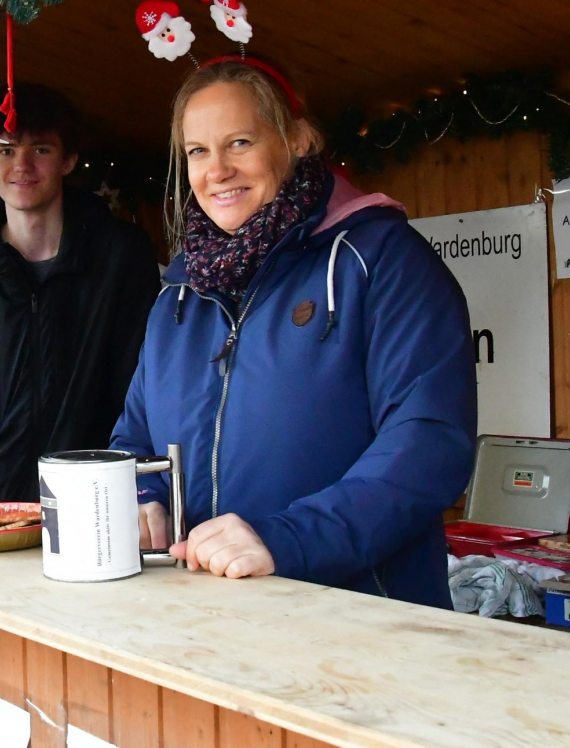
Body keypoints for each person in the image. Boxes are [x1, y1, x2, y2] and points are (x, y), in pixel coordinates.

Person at [111, 59, 476, 608]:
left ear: (299, 140)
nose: (217, 170)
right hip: (199, 614)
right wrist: (144, 496)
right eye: (198, 151)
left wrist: (287, 540)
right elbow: (136, 439)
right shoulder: (179, 293)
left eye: (239, 142)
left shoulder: (382, 262)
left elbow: (428, 444)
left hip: (362, 621)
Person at [0, 83, 161, 504]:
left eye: (41, 150)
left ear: (68, 160)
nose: (22, 165)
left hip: (99, 502)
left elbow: (141, 389)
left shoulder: (121, 256)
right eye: (6, 151)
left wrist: (142, 495)